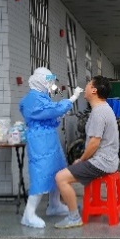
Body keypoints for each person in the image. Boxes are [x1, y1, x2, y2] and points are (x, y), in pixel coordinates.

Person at [19, 67, 83, 228]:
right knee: (41, 174)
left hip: (49, 140)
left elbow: (49, 115)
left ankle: (54, 205)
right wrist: (72, 98)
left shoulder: (42, 96)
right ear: (40, 81)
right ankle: (28, 215)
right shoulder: (33, 98)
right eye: (48, 81)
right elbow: (52, 110)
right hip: (40, 142)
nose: (51, 84)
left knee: (57, 172)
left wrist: (57, 116)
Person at [54, 75, 119, 229]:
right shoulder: (103, 108)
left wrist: (82, 159)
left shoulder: (99, 112)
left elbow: (94, 143)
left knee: (60, 178)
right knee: (67, 172)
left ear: (94, 90)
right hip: (108, 160)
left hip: (101, 162)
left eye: (89, 85)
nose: (86, 87)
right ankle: (75, 208)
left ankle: (74, 217)